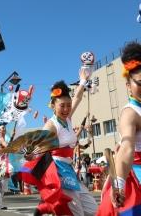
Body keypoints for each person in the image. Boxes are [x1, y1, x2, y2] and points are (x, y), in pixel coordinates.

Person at [31, 69, 98, 216]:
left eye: (68, 105)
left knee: (93, 210)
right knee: (76, 213)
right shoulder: (51, 125)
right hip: (59, 171)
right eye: (62, 106)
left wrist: (82, 80)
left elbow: (78, 97)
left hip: (70, 170)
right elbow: (39, 148)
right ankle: (48, 204)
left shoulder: (67, 119)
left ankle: (47, 206)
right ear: (53, 106)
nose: (67, 109)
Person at [97, 42, 141, 215]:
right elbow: (127, 147)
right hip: (135, 177)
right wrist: (119, 184)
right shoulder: (130, 113)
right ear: (128, 85)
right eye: (140, 83)